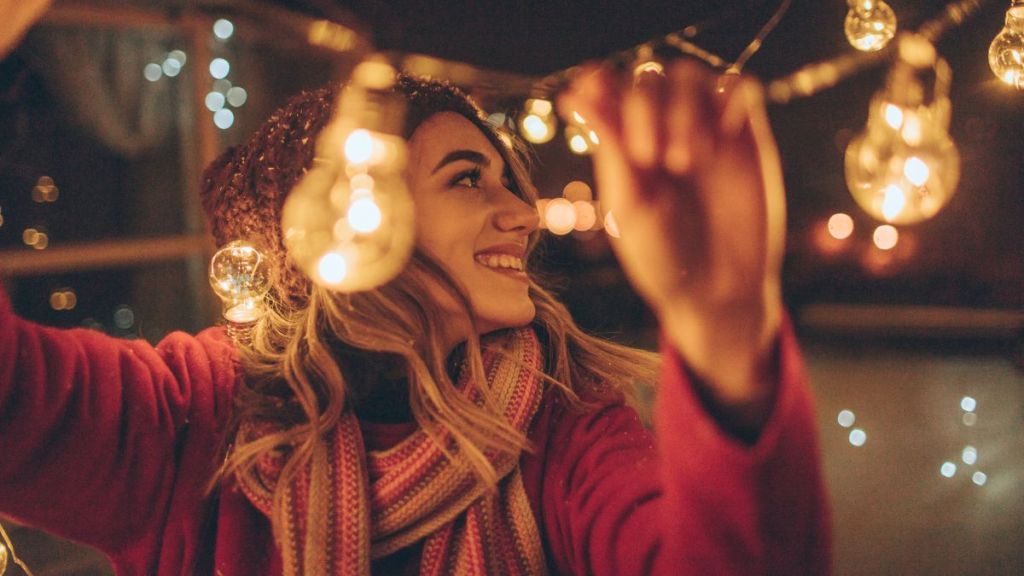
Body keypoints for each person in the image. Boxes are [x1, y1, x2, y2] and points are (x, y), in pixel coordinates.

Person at [0, 62, 830, 575]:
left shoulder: (565, 425)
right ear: (339, 214)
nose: (525, 214)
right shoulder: (192, 417)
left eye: (510, 179)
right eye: (470, 178)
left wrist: (725, 324)